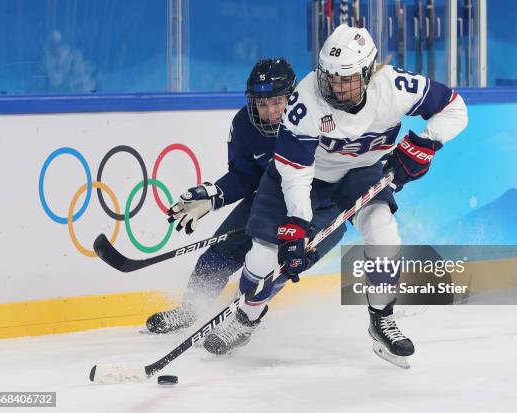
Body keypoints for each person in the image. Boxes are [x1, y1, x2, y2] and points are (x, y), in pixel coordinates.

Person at [202, 24, 468, 368]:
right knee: (264, 255)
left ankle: (381, 317)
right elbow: (296, 170)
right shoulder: (305, 100)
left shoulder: (397, 87)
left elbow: (455, 107)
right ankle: (246, 318)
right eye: (330, 78)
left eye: (347, 79)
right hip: (305, 176)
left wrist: (427, 142)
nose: (337, 87)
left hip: (363, 172)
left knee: (384, 233)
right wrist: (297, 221)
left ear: (369, 72)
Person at [146, 58, 346, 334]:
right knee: (220, 252)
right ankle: (188, 310)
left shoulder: (322, 118)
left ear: (293, 96)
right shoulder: (245, 125)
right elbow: (245, 176)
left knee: (280, 260)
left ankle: (242, 322)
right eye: (262, 105)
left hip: (322, 206)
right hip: (271, 197)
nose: (271, 112)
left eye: (277, 102)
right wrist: (214, 195)